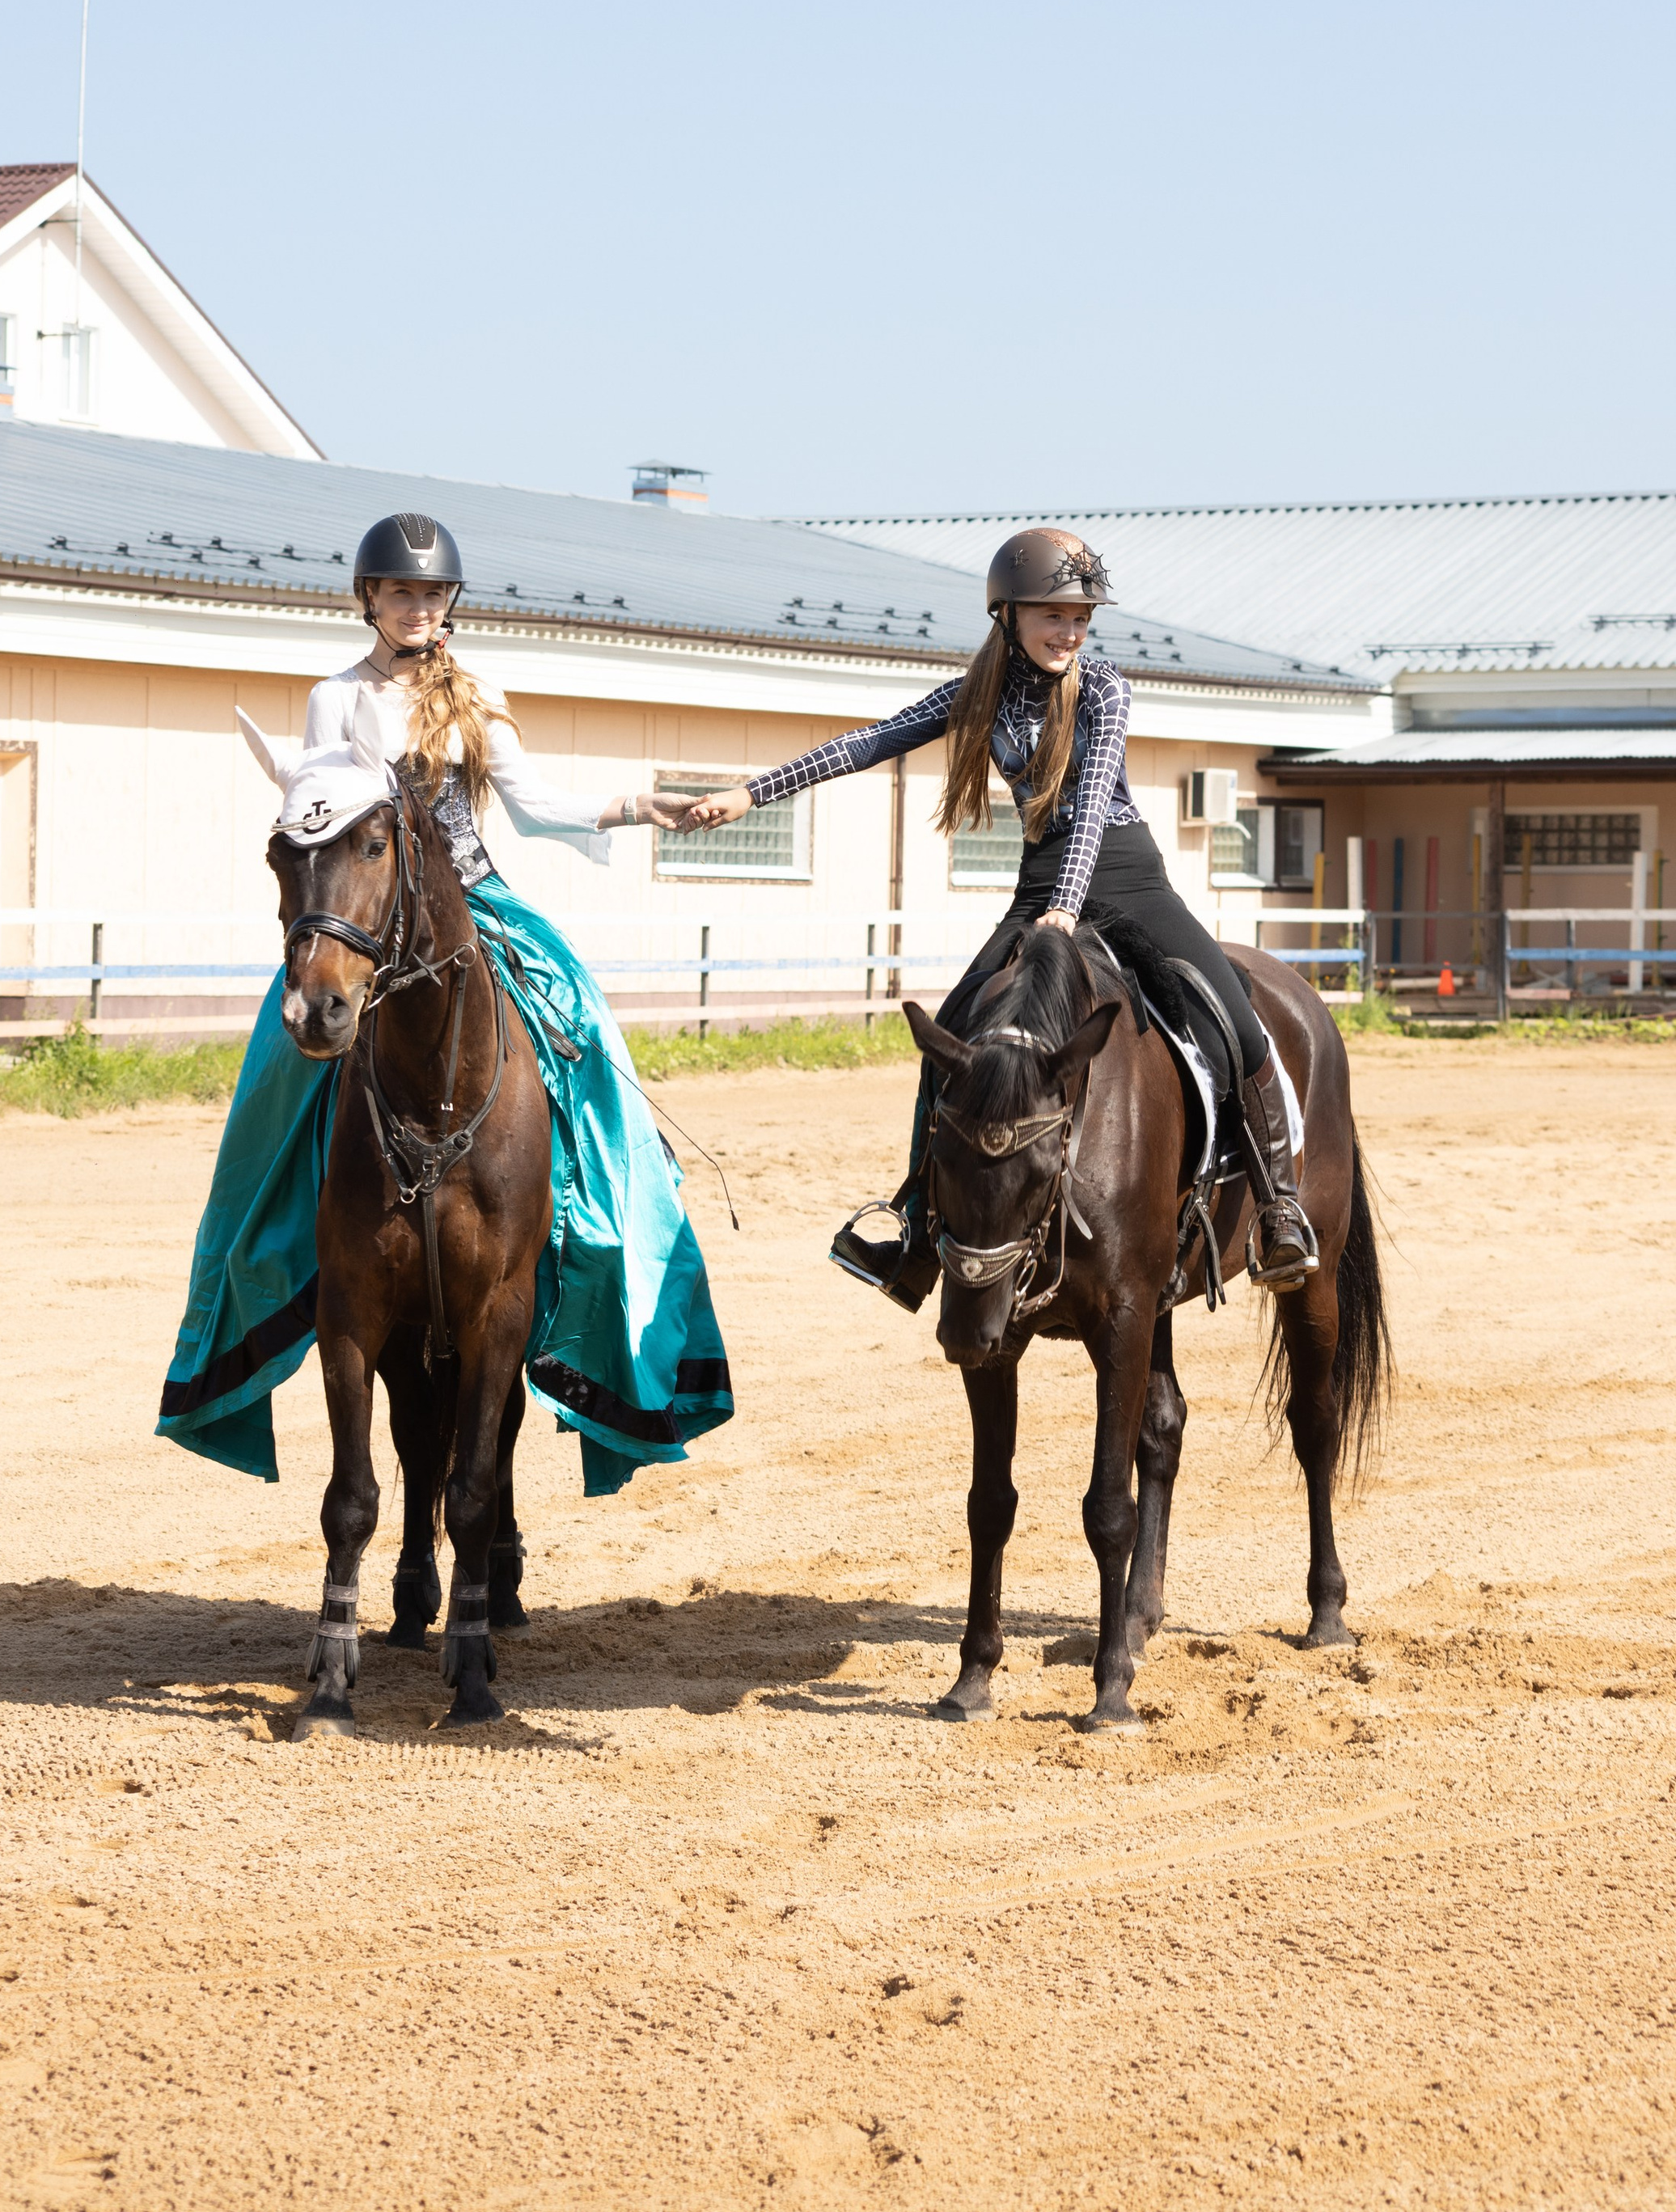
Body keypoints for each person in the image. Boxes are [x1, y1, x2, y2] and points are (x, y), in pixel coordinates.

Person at [159, 512, 732, 1499]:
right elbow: (317, 814)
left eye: (432, 596)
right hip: (367, 915)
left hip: (472, 902)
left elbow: (537, 801)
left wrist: (645, 806)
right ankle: (262, 1244)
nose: (418, 609)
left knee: (581, 1027)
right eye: (401, 594)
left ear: (448, 606)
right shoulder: (332, 697)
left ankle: (605, 1211)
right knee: (275, 1065)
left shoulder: (477, 695)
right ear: (368, 600)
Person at [679, 527, 1319, 1296]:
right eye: (1054, 615)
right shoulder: (979, 695)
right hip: (1039, 881)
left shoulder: (1108, 687)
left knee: (1238, 1021)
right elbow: (870, 742)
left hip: (1126, 875)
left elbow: (1087, 815)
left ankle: (1281, 1207)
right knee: (950, 1038)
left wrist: (1066, 909)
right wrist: (750, 793)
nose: (1070, 631)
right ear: (1007, 614)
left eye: (1081, 617)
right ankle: (916, 1227)